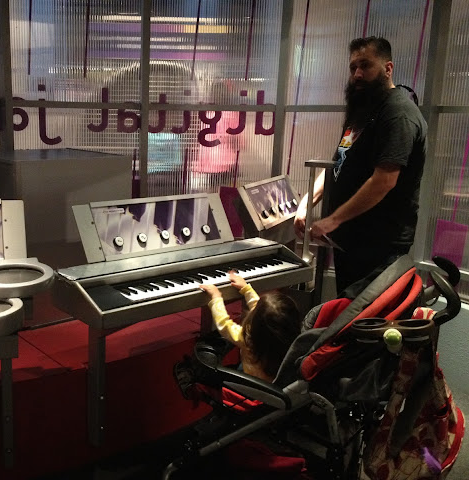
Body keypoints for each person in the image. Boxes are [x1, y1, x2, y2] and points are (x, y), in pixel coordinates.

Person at [294, 36, 427, 294]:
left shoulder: (398, 114)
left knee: (368, 315)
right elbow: (338, 162)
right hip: (351, 241)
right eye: (353, 67)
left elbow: (384, 181)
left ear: (388, 68)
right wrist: (307, 203)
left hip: (379, 246)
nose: (357, 74)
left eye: (365, 65)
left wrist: (333, 220)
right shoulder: (362, 113)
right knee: (347, 310)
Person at [173, 271, 301, 401]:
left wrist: (216, 297)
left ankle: (194, 378)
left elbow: (224, 324)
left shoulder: (248, 340)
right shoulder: (291, 338)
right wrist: (246, 289)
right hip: (273, 382)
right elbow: (264, 314)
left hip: (251, 386)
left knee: (205, 353)